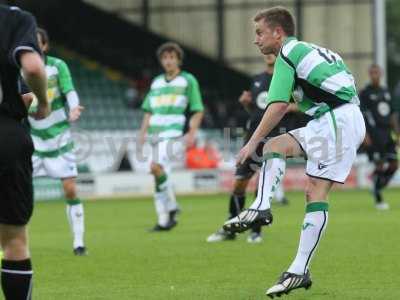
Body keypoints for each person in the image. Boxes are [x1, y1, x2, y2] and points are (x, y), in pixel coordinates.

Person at [222, 7, 365, 298]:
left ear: (278, 32)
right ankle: (291, 258)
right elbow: (332, 88)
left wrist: (250, 144)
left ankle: (290, 254)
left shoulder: (287, 54)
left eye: (260, 33)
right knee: (278, 149)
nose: (256, 40)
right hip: (337, 117)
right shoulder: (310, 50)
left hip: (337, 121)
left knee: (315, 190)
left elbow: (275, 106)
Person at [207, 54, 293, 244]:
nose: (270, 55)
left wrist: (286, 108)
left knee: (262, 185)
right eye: (268, 53)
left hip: (276, 138)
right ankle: (230, 228)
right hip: (252, 136)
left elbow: (300, 106)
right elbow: (255, 111)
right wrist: (246, 104)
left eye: (274, 53)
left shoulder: (287, 77)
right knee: (239, 183)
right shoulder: (256, 79)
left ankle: (256, 231)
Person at [0, 5, 50, 299]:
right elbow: (32, 67)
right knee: (14, 240)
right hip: (6, 134)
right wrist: (43, 103)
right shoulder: (14, 18)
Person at [27, 28, 87, 255]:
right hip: (33, 141)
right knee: (17, 192)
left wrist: (73, 109)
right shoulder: (19, 69)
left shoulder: (57, 66)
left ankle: (79, 243)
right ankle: (15, 244)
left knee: (70, 189)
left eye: (37, 43)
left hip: (60, 138)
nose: (33, 46)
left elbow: (69, 90)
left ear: (45, 46)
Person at [139, 42, 204, 231]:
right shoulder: (157, 82)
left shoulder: (187, 80)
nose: (168, 61)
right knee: (157, 175)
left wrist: (192, 133)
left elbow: (197, 109)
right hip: (154, 135)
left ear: (178, 60)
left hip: (174, 135)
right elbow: (148, 111)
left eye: (172, 57)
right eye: (165, 58)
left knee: (155, 167)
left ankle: (172, 208)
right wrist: (141, 134)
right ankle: (164, 219)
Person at [360, 64, 399, 210]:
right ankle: (379, 200)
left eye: (377, 72)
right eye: (372, 72)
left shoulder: (386, 92)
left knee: (394, 165)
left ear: (381, 74)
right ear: (369, 74)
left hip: (388, 134)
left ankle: (377, 185)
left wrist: (397, 134)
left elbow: (393, 114)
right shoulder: (365, 93)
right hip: (374, 134)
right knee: (380, 164)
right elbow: (361, 115)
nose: (375, 75)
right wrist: (365, 134)